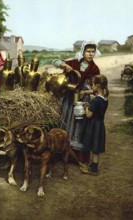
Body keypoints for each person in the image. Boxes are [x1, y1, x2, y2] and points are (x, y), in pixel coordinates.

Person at [52, 40, 100, 173]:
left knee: (80, 124)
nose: (90, 54)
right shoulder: (74, 62)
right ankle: (61, 153)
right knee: (66, 120)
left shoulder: (94, 68)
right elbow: (54, 61)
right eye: (88, 51)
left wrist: (86, 91)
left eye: (93, 52)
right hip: (68, 97)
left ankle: (78, 158)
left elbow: (96, 88)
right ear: (83, 51)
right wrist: (64, 66)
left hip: (83, 99)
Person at [81, 74, 109, 175]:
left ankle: (92, 169)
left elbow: (88, 115)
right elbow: (98, 110)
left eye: (92, 85)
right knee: (96, 148)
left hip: (93, 125)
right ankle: (94, 166)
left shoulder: (96, 100)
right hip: (100, 125)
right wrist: (90, 106)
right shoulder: (105, 99)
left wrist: (86, 107)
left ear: (97, 86)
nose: (91, 87)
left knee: (92, 145)